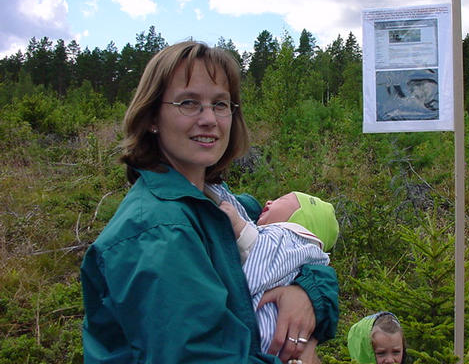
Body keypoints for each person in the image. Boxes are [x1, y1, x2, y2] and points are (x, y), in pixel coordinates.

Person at [80, 40, 338, 363]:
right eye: (188, 103)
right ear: (152, 117)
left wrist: (306, 293)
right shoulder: (159, 231)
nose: (209, 119)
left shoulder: (219, 201)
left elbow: (305, 249)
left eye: (220, 104)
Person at [217, 190, 339, 361]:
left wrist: (238, 225)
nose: (268, 201)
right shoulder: (309, 257)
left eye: (280, 199)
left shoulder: (288, 237)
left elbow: (262, 251)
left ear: (299, 219)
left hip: (250, 337)